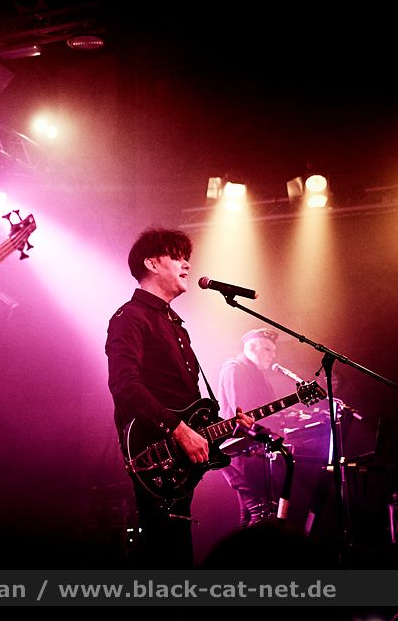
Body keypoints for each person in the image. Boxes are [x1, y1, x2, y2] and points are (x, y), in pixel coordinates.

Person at [105, 227, 252, 568]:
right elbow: (124, 385)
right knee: (163, 553)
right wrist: (178, 430)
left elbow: (188, 404)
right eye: (177, 257)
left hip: (179, 458)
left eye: (187, 258)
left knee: (178, 550)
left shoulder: (175, 323)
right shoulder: (130, 318)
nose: (187, 265)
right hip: (154, 452)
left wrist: (227, 426)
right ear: (151, 264)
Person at [217, 327, 280, 528]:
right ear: (251, 348)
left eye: (273, 350)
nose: (273, 355)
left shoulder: (259, 376)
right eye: (268, 349)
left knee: (250, 513)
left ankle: (244, 548)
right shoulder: (234, 369)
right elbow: (242, 413)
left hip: (249, 451)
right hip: (238, 452)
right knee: (259, 510)